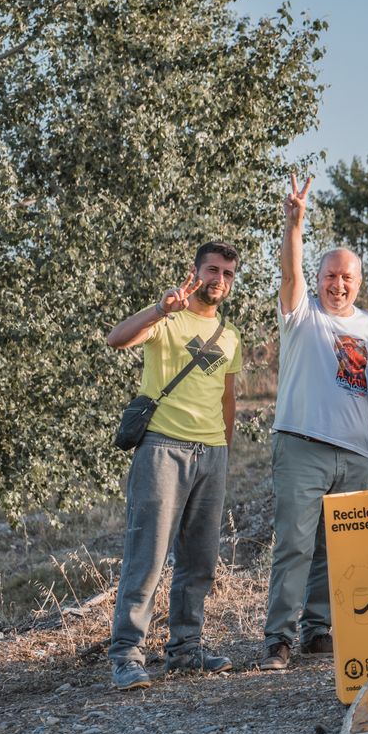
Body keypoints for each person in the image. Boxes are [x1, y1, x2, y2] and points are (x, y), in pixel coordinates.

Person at [103, 243, 243, 690]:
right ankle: (126, 654)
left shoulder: (230, 335)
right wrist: (159, 310)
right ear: (195, 272)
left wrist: (224, 447)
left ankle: (186, 649)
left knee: (199, 559)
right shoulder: (168, 317)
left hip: (211, 454)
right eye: (212, 270)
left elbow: (227, 397)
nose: (218, 279)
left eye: (227, 273)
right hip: (163, 448)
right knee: (147, 556)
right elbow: (116, 339)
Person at [259, 175, 368, 671]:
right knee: (294, 543)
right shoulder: (301, 313)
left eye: (347, 278)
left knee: (337, 550)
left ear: (359, 281)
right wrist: (295, 225)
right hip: (302, 446)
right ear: (319, 278)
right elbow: (290, 275)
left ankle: (318, 629)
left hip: (355, 453)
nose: (338, 284)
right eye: (330, 276)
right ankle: (279, 638)